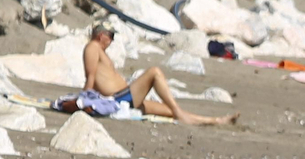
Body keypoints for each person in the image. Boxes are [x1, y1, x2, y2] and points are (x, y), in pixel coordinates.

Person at [83, 23, 237, 125]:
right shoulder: (92, 47)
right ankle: (185, 115)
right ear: (101, 36)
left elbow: (98, 80)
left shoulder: (99, 51)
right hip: (118, 99)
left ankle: (215, 121)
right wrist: (84, 102)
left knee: (170, 111)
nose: (111, 41)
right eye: (111, 36)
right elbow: (90, 76)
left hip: (124, 98)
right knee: (154, 72)